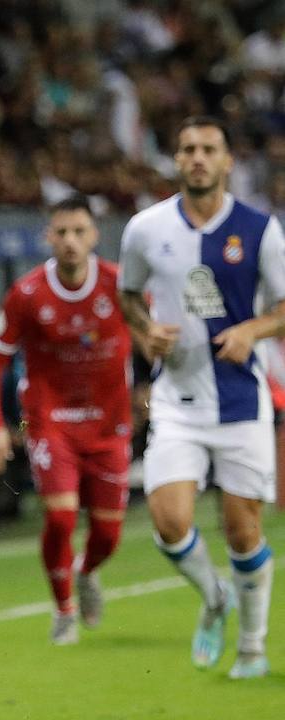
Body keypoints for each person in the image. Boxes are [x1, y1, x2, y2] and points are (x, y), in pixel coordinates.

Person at [118, 116, 285, 679]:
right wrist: (146, 331)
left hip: (241, 399)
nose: (197, 157)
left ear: (227, 160)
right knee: (169, 520)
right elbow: (127, 296)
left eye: (208, 149)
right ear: (176, 158)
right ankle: (215, 598)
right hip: (177, 399)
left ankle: (253, 646)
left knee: (243, 530)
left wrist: (250, 332)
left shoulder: (260, 229)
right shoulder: (145, 228)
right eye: (187, 148)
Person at [0, 195, 132, 645]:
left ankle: (86, 572)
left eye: (79, 232)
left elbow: (154, 337)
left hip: (109, 424)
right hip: (52, 422)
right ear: (48, 236)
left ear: (95, 236)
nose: (69, 241)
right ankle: (64, 609)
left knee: (107, 533)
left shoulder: (120, 286)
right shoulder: (27, 294)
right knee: (62, 519)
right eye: (61, 232)